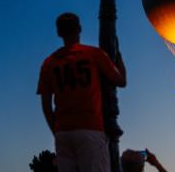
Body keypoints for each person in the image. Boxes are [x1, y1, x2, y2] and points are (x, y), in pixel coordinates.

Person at [37, 12, 126, 172]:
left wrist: (56, 130)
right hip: (90, 128)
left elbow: (45, 104)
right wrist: (118, 55)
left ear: (59, 32)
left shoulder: (49, 63)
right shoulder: (94, 54)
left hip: (63, 133)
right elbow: (120, 81)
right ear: (79, 28)